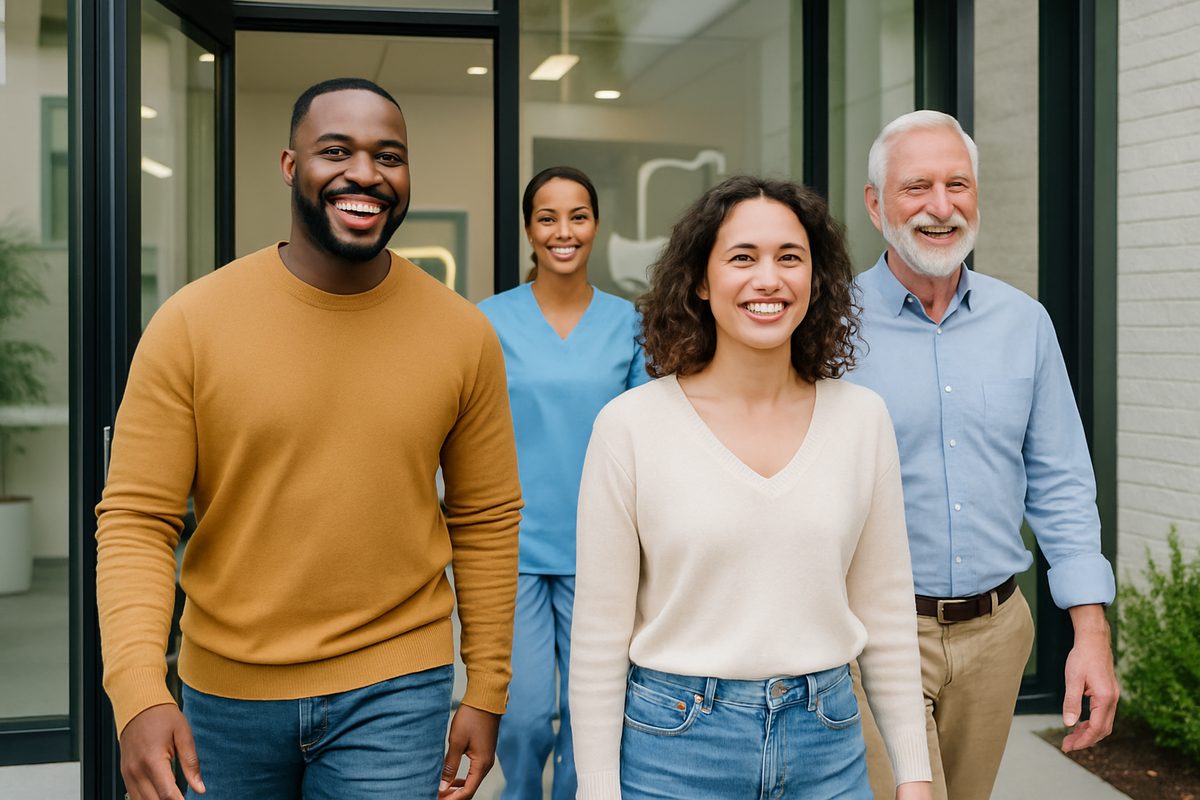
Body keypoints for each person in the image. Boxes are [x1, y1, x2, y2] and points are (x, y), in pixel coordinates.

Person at [95, 77, 522, 800]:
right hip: (224, 693)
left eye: (389, 155)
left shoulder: (462, 334)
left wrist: (487, 687)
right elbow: (137, 520)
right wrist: (137, 688)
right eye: (336, 150)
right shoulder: (191, 323)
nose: (365, 173)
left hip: (396, 686)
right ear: (291, 165)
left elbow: (484, 518)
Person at [569, 175, 933, 800]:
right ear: (702, 282)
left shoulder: (862, 419)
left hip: (829, 742)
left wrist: (914, 774)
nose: (769, 279)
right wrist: (597, 789)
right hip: (674, 749)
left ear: (814, 280)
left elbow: (888, 615)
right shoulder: (629, 426)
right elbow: (599, 637)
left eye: (790, 258)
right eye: (743, 258)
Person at [846, 109, 1119, 800]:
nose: (941, 207)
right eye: (917, 188)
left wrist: (1090, 631)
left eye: (957, 184)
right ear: (876, 204)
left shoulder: (1023, 322)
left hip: (998, 635)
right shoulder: (830, 327)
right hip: (876, 634)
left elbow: (1060, 481)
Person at [478, 166, 648, 799]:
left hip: (601, 550)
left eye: (577, 216)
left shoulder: (629, 324)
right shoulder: (487, 322)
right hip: (514, 549)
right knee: (520, 716)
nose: (563, 231)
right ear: (529, 230)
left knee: (591, 713)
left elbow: (646, 439)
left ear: (595, 226)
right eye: (547, 218)